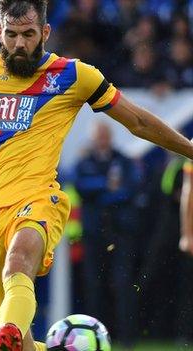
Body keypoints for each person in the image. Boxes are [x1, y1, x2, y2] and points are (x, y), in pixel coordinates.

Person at [0, 0, 193, 350]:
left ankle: (10, 334)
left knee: (19, 259)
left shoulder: (75, 75)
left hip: (38, 199)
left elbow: (139, 122)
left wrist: (190, 149)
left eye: (28, 34)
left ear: (45, 33)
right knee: (14, 344)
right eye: (11, 34)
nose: (19, 43)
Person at [74, 122, 138, 348]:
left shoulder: (123, 160)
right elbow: (80, 185)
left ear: (110, 137)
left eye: (105, 135)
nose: (102, 139)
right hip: (93, 235)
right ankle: (96, 337)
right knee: (94, 286)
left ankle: (127, 339)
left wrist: (101, 194)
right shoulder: (85, 161)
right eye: (98, 135)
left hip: (119, 233)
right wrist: (106, 186)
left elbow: (130, 190)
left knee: (122, 285)